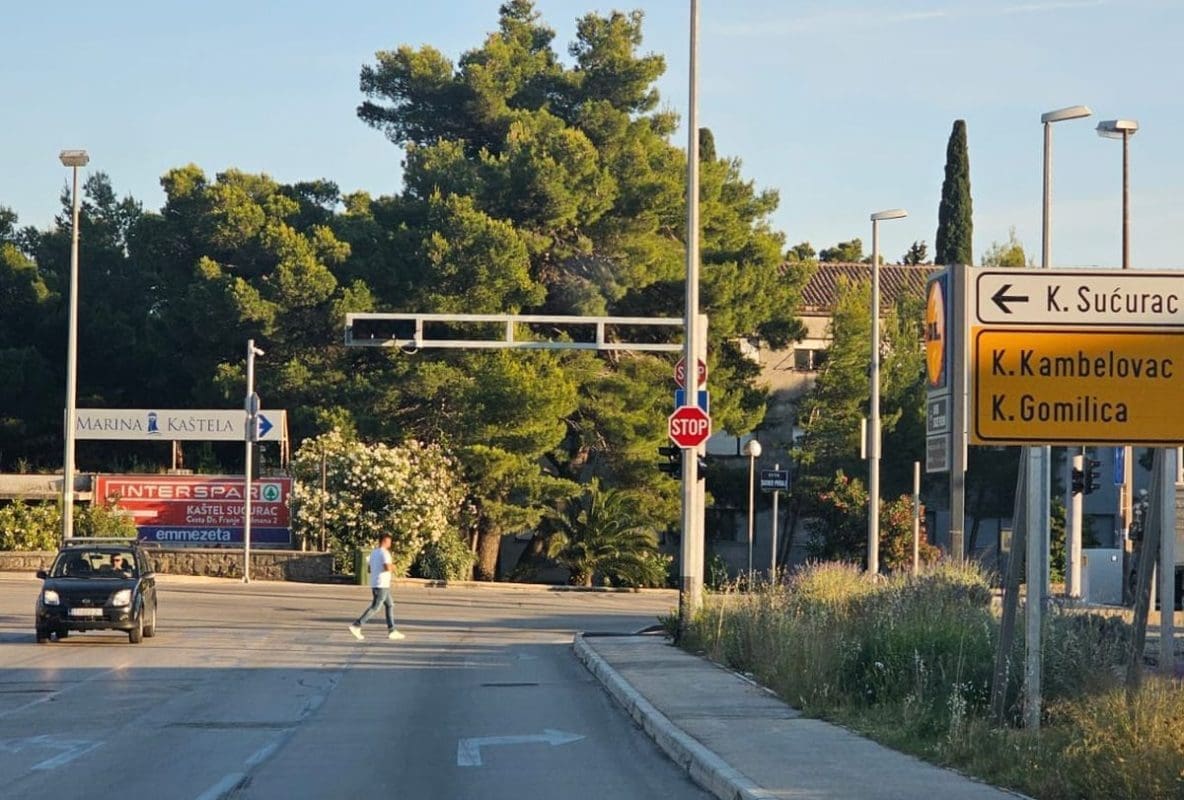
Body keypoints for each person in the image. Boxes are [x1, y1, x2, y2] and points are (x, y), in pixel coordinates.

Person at [349, 533, 405, 641]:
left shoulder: (374, 553)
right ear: (385, 541)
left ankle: (392, 630)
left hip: (376, 583)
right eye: (389, 541)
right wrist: (394, 567)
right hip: (381, 584)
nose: (390, 543)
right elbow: (387, 567)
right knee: (376, 607)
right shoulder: (385, 553)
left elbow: (369, 569)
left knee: (390, 604)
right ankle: (357, 625)